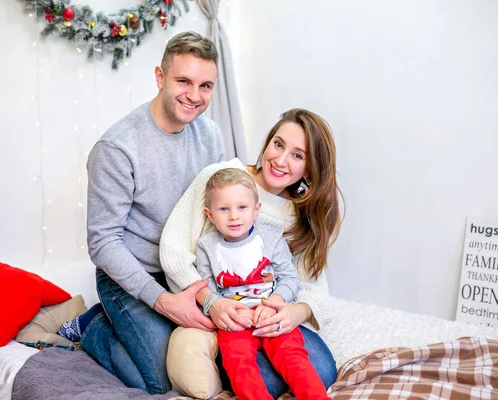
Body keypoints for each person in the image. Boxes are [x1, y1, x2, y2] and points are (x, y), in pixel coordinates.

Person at [160, 108, 343, 398]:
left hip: (270, 314)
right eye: (278, 144)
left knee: (321, 369)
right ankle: (97, 327)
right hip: (224, 313)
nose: (281, 160)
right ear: (268, 142)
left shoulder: (301, 214)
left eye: (298, 155)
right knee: (253, 377)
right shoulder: (221, 181)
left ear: (310, 169)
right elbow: (173, 253)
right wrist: (213, 303)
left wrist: (295, 311)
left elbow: (313, 289)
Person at [79, 31, 225, 394]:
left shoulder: (210, 136)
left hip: (186, 269)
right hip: (133, 274)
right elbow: (102, 242)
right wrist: (164, 303)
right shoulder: (118, 147)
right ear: (160, 78)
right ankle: (95, 329)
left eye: (205, 85)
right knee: (165, 379)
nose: (194, 95)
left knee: (213, 362)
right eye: (183, 81)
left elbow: (216, 213)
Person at [198, 168, 331, 400]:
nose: (234, 216)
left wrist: (275, 302)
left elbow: (290, 278)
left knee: (293, 357)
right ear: (210, 215)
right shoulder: (206, 246)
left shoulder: (271, 238)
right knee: (238, 364)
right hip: (236, 320)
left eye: (242, 207)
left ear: (256, 210)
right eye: (223, 209)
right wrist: (229, 310)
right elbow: (208, 288)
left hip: (271, 314)